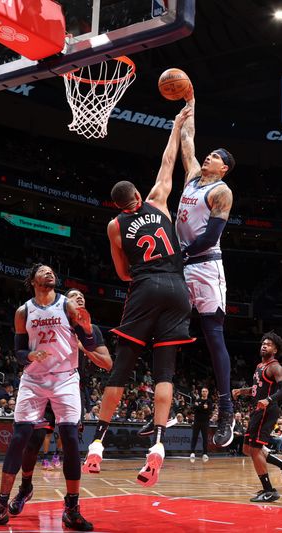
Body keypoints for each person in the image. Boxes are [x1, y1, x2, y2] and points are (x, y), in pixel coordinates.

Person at [83, 106, 193, 488]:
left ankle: (96, 444)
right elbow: (168, 162)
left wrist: (141, 275)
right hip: (178, 288)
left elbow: (122, 273)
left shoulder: (114, 226)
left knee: (122, 367)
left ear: (117, 204)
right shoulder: (159, 200)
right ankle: (159, 446)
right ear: (138, 195)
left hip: (145, 286)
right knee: (165, 370)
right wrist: (177, 124)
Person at [0, 264, 103, 530]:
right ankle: (1, 506)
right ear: (32, 280)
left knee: (69, 439)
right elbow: (19, 352)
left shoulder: (68, 307)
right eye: (43, 271)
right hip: (33, 379)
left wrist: (88, 331)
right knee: (21, 438)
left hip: (65, 378)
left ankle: (72, 508)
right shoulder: (23, 312)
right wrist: (30, 356)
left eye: (51, 271)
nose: (50, 273)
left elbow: (90, 346)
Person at [173, 91, 237, 448]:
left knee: (214, 336)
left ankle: (226, 408)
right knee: (165, 324)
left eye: (215, 156)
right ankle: (160, 408)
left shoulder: (222, 191)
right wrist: (191, 102)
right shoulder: (193, 176)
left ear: (223, 167)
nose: (207, 157)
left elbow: (212, 235)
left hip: (205, 267)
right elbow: (187, 139)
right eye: (209, 154)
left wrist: (180, 252)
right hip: (183, 264)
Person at [231, 332, 282, 502]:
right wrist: (242, 391)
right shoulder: (260, 366)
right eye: (263, 343)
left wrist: (268, 399)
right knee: (247, 449)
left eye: (268, 344)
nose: (264, 345)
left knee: (255, 450)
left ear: (275, 349)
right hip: (257, 410)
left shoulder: (275, 367)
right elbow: (256, 389)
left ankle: (270, 490)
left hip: (268, 410)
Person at [189, 387, 212, 462]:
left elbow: (209, 411)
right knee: (194, 437)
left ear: (207, 392)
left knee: (205, 438)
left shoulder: (209, 401)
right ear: (201, 392)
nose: (204, 392)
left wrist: (199, 407)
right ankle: (192, 452)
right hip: (197, 421)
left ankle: (205, 453)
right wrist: (203, 407)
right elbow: (194, 408)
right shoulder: (197, 400)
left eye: (205, 391)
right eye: (203, 391)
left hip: (205, 422)